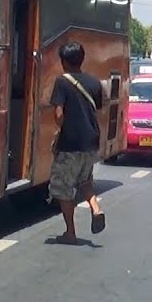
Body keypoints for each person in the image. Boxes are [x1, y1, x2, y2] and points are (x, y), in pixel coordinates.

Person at [49, 41, 107, 244]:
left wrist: (61, 128)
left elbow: (59, 114)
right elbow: (97, 109)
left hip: (71, 143)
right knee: (85, 180)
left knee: (63, 188)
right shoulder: (94, 82)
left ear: (64, 61)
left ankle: (70, 232)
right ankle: (96, 209)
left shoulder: (62, 82)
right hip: (91, 141)